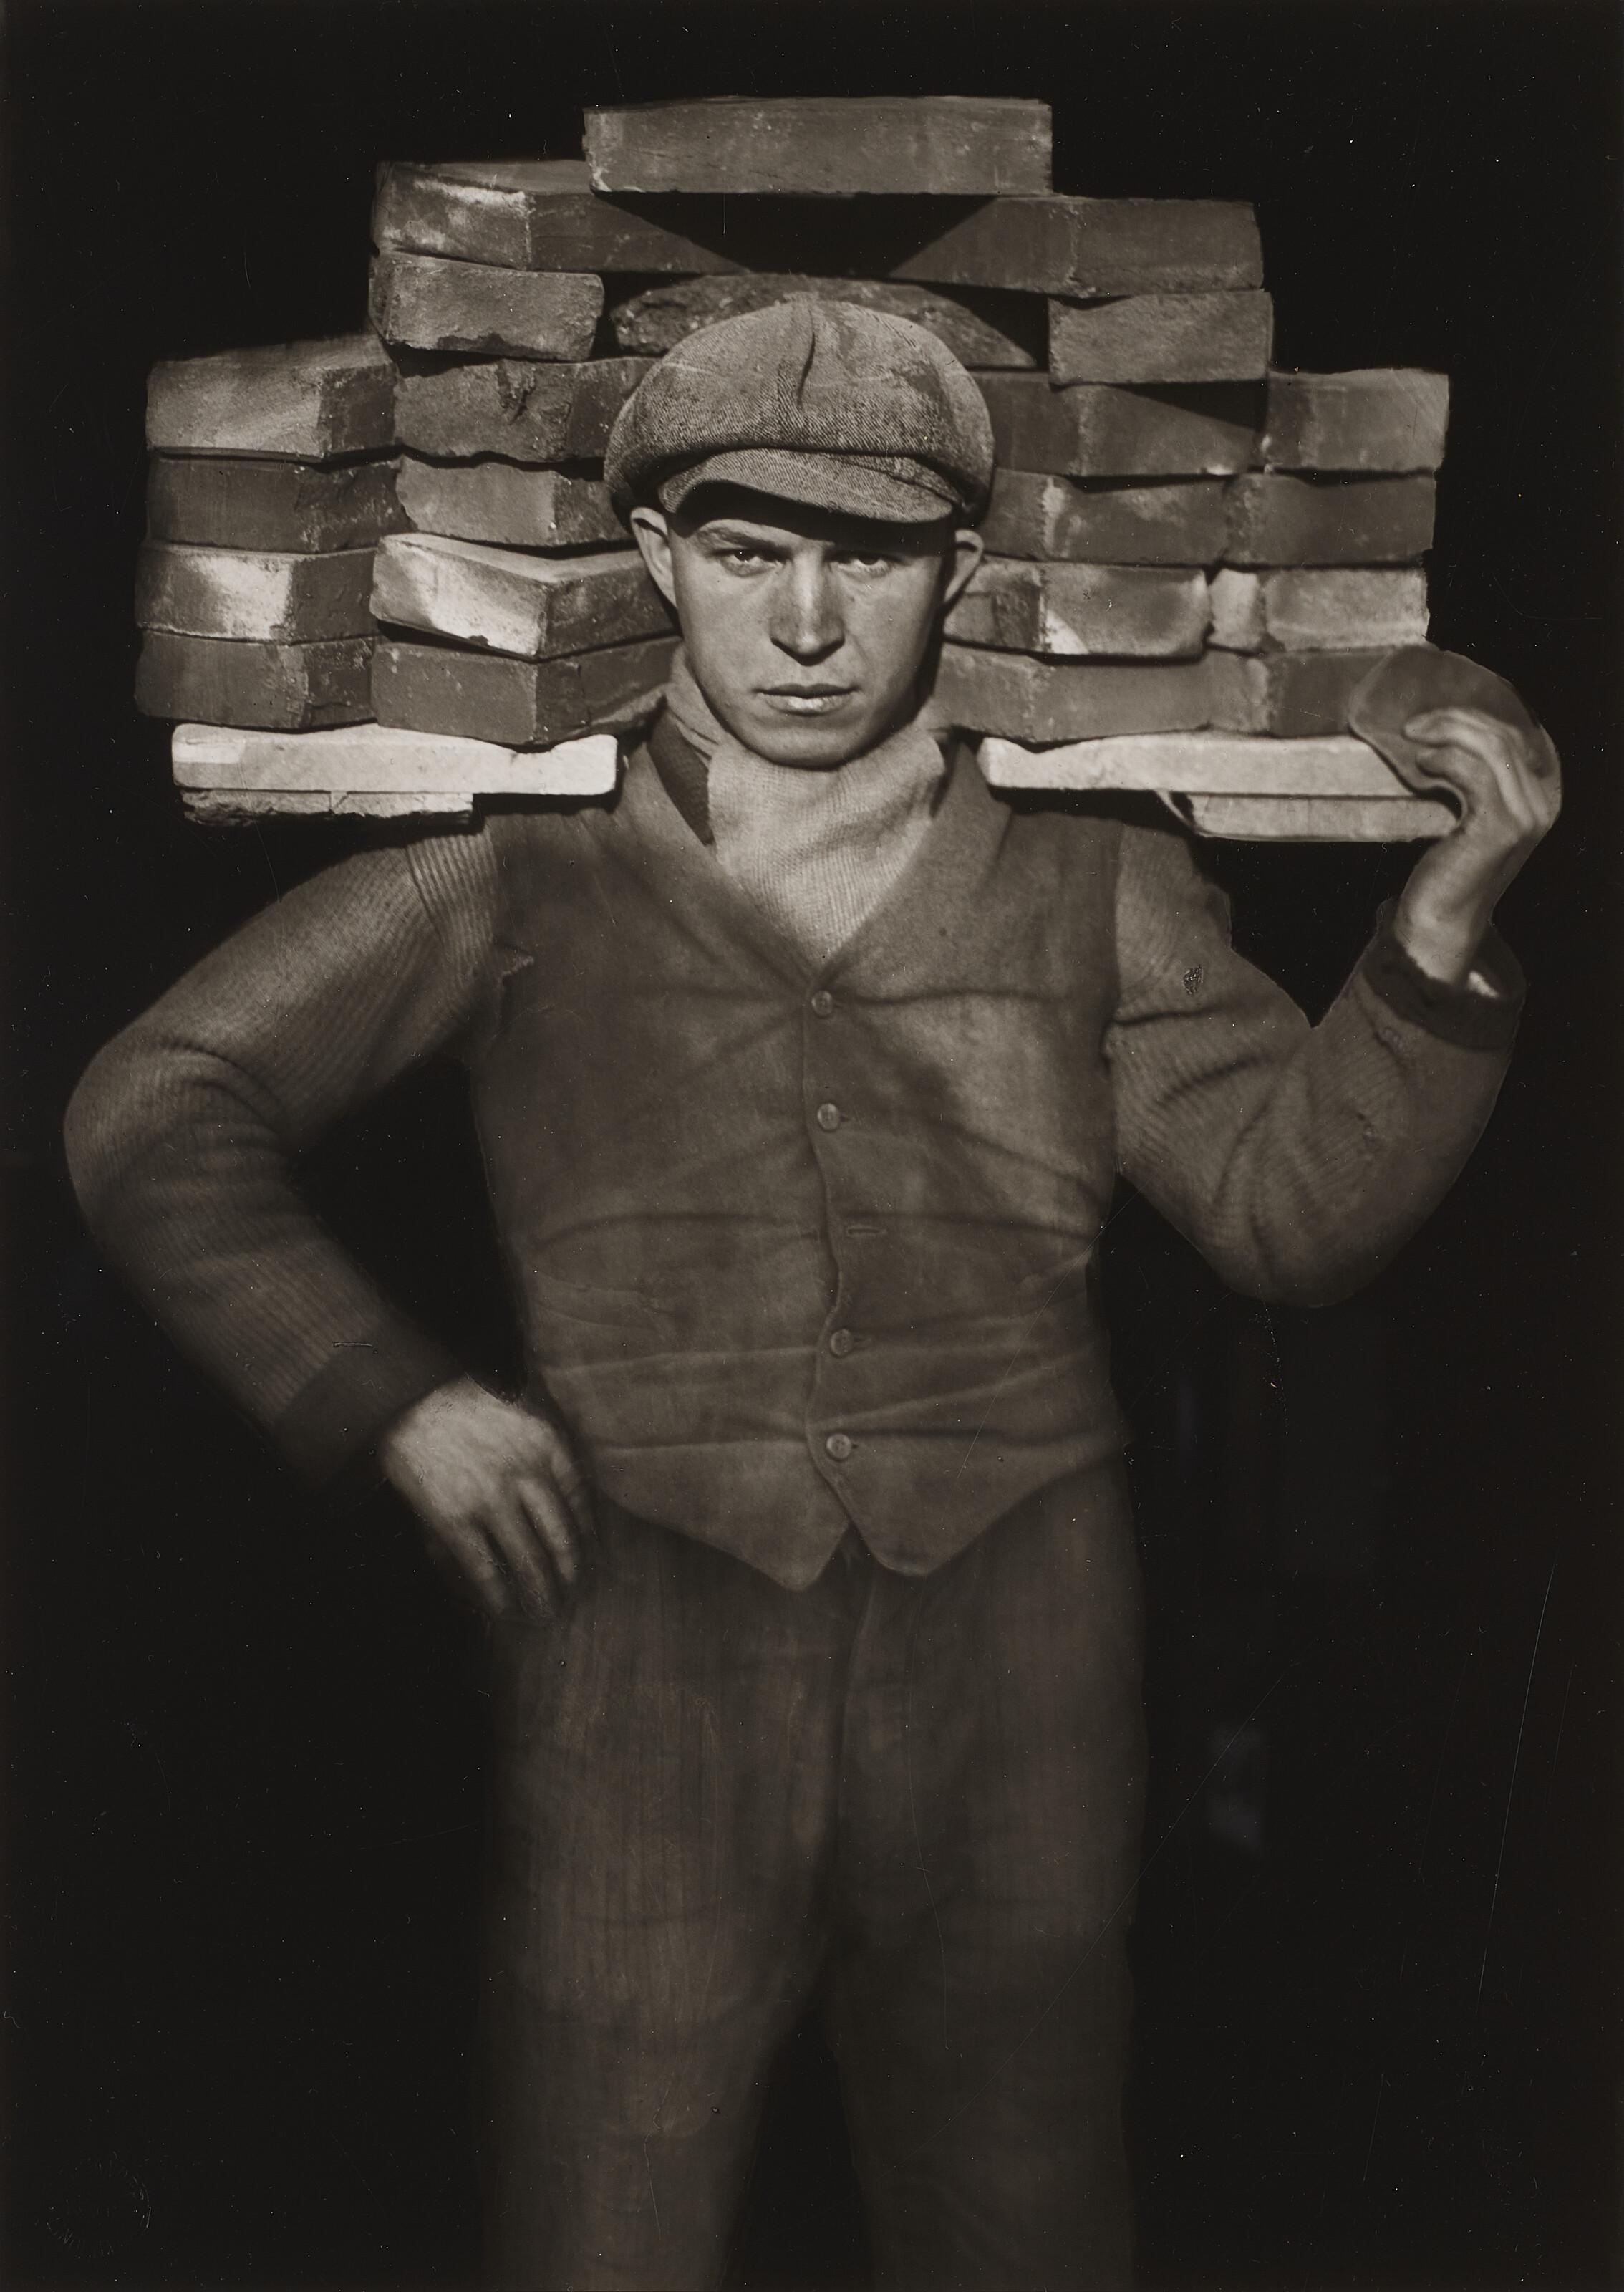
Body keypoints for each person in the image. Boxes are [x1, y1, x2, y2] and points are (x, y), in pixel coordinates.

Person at [65, 299, 1560, 2291]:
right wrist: (387, 1397)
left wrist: (1433, 936)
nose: (801, 625)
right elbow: (157, 1101)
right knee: (609, 2214)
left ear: (957, 570)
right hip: (640, 1641)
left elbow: (1295, 1221)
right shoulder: (525, 866)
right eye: (749, 551)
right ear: (660, 559)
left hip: (1016, 1642)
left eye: (865, 557)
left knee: (1019, 2219)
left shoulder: (1089, 878)